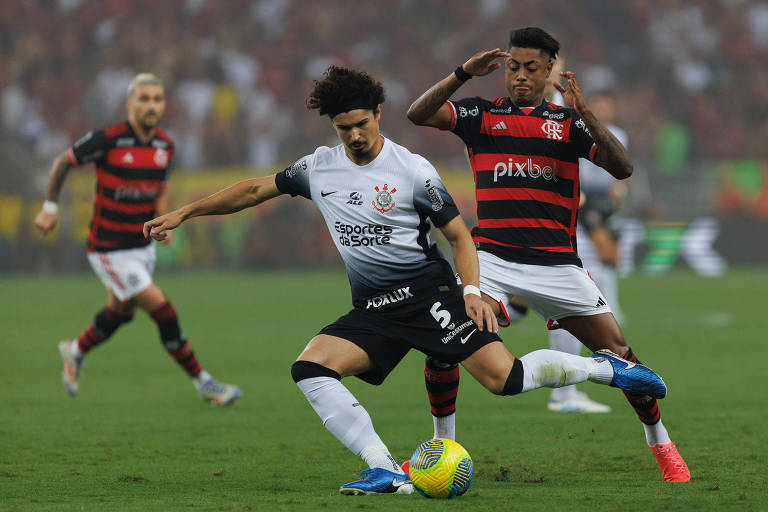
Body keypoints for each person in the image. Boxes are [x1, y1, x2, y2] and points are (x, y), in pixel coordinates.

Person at [143, 65, 667, 495]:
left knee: (504, 381)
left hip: (430, 297)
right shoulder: (318, 167)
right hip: (375, 308)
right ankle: (387, 469)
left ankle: (605, 370)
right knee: (310, 368)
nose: (353, 136)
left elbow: (460, 237)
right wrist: (184, 213)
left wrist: (470, 291)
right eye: (343, 128)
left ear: (377, 115)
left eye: (361, 125)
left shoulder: (412, 170)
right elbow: (255, 190)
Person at [407, 27, 689, 482]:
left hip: (557, 265)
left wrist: (585, 113)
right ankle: (444, 446)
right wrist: (462, 74)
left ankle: (661, 443)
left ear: (551, 69)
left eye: (531, 67)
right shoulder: (482, 115)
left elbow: (623, 167)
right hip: (491, 260)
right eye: (513, 67)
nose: (519, 75)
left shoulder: (568, 125)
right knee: (444, 344)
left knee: (621, 353)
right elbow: (418, 114)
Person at [34, 73, 241, 406]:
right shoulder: (109, 140)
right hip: (108, 248)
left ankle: (74, 351)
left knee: (122, 312)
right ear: (130, 104)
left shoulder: (165, 146)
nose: (151, 105)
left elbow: (159, 190)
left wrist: (167, 222)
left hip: (141, 247)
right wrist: (49, 207)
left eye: (157, 99)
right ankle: (203, 383)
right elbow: (63, 162)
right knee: (163, 311)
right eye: (144, 99)